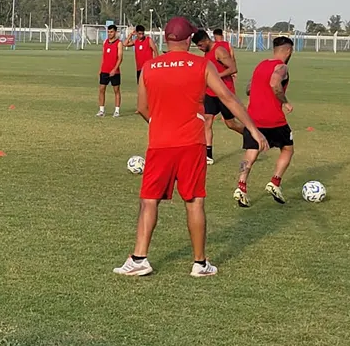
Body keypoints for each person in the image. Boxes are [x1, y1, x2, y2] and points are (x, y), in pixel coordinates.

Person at [114, 17, 268, 278]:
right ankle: (200, 263)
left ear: (165, 39)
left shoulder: (150, 66)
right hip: (191, 143)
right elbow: (227, 97)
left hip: (160, 143)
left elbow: (141, 107)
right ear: (188, 40)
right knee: (194, 201)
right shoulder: (201, 65)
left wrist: (160, 122)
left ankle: (139, 258)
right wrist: (253, 129)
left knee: (149, 200)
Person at [235, 36, 296, 207]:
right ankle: (275, 182)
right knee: (288, 149)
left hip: (253, 119)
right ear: (288, 50)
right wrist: (285, 101)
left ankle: (241, 186)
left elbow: (248, 89)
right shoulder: (282, 67)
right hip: (273, 119)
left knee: (250, 153)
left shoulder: (261, 65)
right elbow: (275, 83)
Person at [193, 29, 245, 165]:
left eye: (200, 45)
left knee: (230, 124)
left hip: (224, 92)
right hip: (210, 93)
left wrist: (215, 77)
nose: (199, 48)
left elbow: (233, 68)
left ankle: (252, 138)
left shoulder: (219, 50)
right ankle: (208, 155)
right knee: (207, 120)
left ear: (205, 40)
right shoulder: (206, 53)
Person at [96, 25, 124, 117]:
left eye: (111, 32)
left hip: (114, 72)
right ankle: (101, 110)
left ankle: (116, 111)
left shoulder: (119, 43)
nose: (109, 33)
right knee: (101, 89)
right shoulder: (105, 42)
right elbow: (103, 57)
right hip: (105, 70)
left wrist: (114, 69)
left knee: (116, 90)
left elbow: (120, 58)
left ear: (115, 32)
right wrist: (100, 69)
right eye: (108, 32)